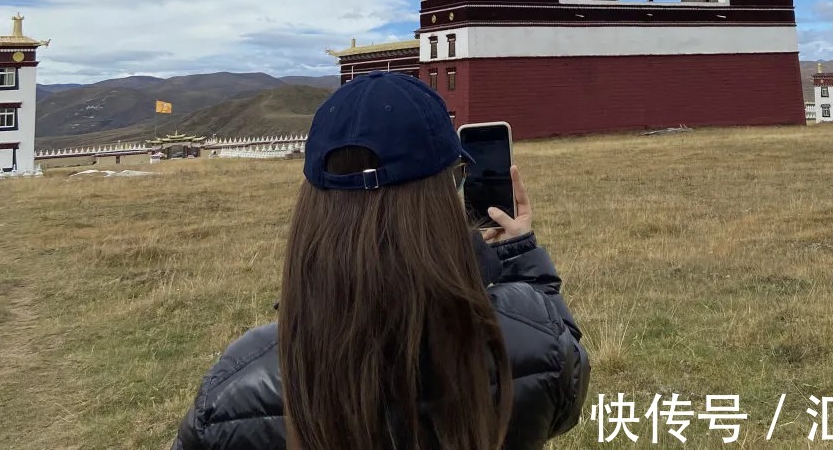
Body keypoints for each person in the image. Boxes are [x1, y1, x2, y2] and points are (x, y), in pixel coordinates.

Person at [171, 70, 590, 449]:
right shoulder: (528, 336)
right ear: (446, 193)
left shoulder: (236, 386)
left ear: (313, 209)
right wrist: (523, 263)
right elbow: (566, 386)